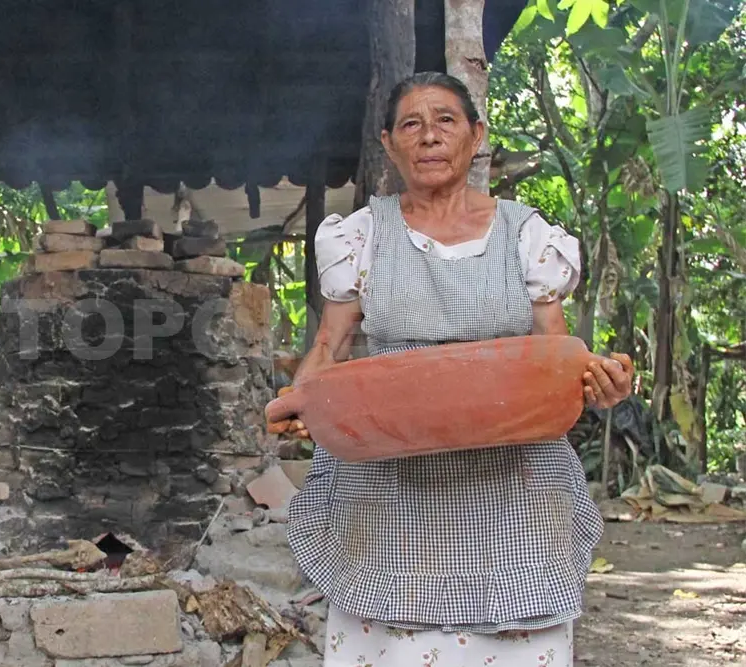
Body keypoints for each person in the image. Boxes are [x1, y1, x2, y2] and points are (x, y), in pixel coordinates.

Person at [269, 72, 633, 666]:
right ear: (389, 144)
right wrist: (302, 397)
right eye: (412, 124)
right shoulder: (361, 235)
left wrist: (599, 383)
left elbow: (555, 352)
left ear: (476, 136)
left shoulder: (528, 236)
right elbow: (330, 344)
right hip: (389, 485)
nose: (429, 136)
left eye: (446, 121)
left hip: (511, 486)